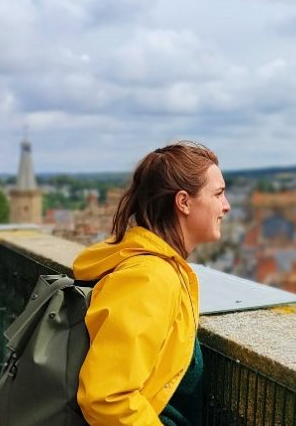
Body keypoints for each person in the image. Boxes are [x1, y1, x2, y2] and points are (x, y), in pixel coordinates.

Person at [74, 142, 229, 425]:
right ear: (183, 202)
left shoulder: (159, 268)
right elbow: (107, 398)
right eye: (218, 194)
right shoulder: (149, 278)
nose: (226, 206)